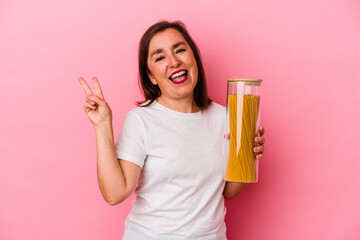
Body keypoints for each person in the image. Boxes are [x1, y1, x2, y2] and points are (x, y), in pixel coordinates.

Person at [78, 20, 265, 240]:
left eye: (180, 50)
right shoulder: (141, 120)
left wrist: (248, 157)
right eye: (160, 57)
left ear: (194, 58)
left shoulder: (226, 118)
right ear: (151, 77)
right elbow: (115, 193)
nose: (174, 61)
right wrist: (102, 126)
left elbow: (228, 193)